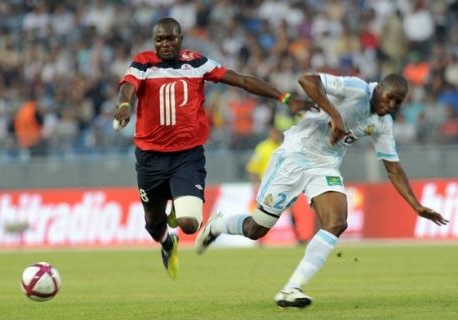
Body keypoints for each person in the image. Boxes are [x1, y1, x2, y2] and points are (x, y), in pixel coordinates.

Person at [195, 72, 449, 307]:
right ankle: (217, 226)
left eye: (398, 102)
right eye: (390, 97)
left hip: (325, 166)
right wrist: (335, 116)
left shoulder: (383, 124)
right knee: (256, 229)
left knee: (337, 222)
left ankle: (291, 289)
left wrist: (416, 206)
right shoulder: (356, 89)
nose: (392, 105)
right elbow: (307, 80)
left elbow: (393, 169)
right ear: (379, 88)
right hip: (296, 154)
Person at [113, 17, 332, 280]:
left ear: (180, 39)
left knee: (190, 224)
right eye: (160, 39)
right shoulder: (143, 62)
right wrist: (124, 105)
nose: (165, 44)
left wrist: (284, 97)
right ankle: (167, 243)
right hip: (150, 158)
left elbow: (241, 81)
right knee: (153, 222)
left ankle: (177, 210)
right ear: (154, 41)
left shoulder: (196, 63)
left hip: (187, 156)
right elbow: (127, 88)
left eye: (171, 38)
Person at [246, 126, 302, 245]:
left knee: (290, 211)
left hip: (283, 184)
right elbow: (253, 167)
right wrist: (255, 185)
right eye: (274, 133)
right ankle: (259, 240)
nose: (276, 135)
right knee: (263, 213)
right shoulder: (262, 148)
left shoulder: (284, 147)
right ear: (270, 133)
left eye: (277, 133)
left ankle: (297, 237)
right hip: (267, 186)